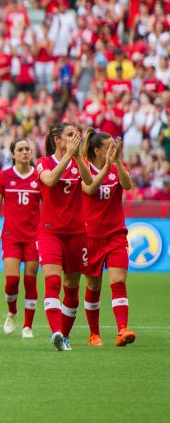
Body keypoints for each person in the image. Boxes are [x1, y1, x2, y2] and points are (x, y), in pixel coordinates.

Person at [35, 122, 94, 351]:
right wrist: (67, 157)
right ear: (57, 140)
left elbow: (89, 182)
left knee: (71, 288)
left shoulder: (80, 162)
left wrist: (77, 157)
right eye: (70, 135)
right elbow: (49, 180)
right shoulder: (43, 162)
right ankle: (56, 331)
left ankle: (65, 337)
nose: (75, 137)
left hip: (77, 233)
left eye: (76, 134)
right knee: (52, 281)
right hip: (50, 232)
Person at [81, 131, 136, 347]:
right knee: (93, 286)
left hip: (115, 235)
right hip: (90, 237)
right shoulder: (83, 169)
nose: (113, 148)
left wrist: (118, 162)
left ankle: (122, 329)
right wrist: (106, 168)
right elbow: (89, 189)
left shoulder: (116, 168)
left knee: (118, 281)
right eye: (109, 146)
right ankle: (94, 334)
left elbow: (128, 185)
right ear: (97, 150)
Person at [0, 138, 41, 339]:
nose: (25, 152)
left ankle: (28, 326)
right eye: (20, 149)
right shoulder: (4, 177)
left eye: (28, 148)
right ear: (12, 154)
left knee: (30, 281)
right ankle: (12, 312)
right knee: (12, 281)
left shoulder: (39, 176)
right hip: (11, 236)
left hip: (34, 237)